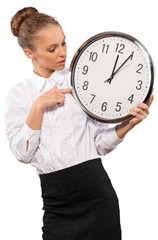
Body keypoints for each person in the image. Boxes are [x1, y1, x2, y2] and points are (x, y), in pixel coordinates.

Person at [4, 6, 153, 240]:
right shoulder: (20, 94)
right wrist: (38, 106)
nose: (62, 53)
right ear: (29, 53)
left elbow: (100, 145)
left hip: (98, 196)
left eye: (63, 43)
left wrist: (129, 124)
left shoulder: (80, 82)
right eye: (51, 49)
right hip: (57, 202)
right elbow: (22, 155)